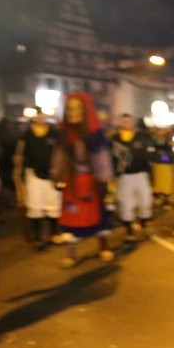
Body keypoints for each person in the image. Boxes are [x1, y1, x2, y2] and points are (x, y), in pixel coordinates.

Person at [51, 93, 115, 267]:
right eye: (70, 108)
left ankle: (104, 246)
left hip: (90, 181)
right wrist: (57, 174)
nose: (73, 112)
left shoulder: (95, 134)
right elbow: (59, 155)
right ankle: (72, 253)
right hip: (71, 182)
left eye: (77, 108)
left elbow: (102, 157)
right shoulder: (63, 134)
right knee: (70, 215)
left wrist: (103, 178)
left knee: (98, 215)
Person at [14, 110, 62, 250]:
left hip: (52, 175)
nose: (41, 117)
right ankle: (37, 236)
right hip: (33, 174)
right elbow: (19, 156)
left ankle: (54, 232)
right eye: (38, 115)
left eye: (43, 115)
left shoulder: (55, 134)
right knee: (35, 205)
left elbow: (61, 152)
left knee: (53, 203)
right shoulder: (26, 135)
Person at [111, 114, 155, 242]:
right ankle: (129, 230)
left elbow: (148, 154)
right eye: (123, 121)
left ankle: (144, 223)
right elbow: (112, 158)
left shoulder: (141, 137)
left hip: (140, 174)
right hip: (124, 177)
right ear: (121, 122)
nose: (126, 123)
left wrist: (150, 169)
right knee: (126, 203)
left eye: (128, 121)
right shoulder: (115, 139)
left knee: (145, 200)